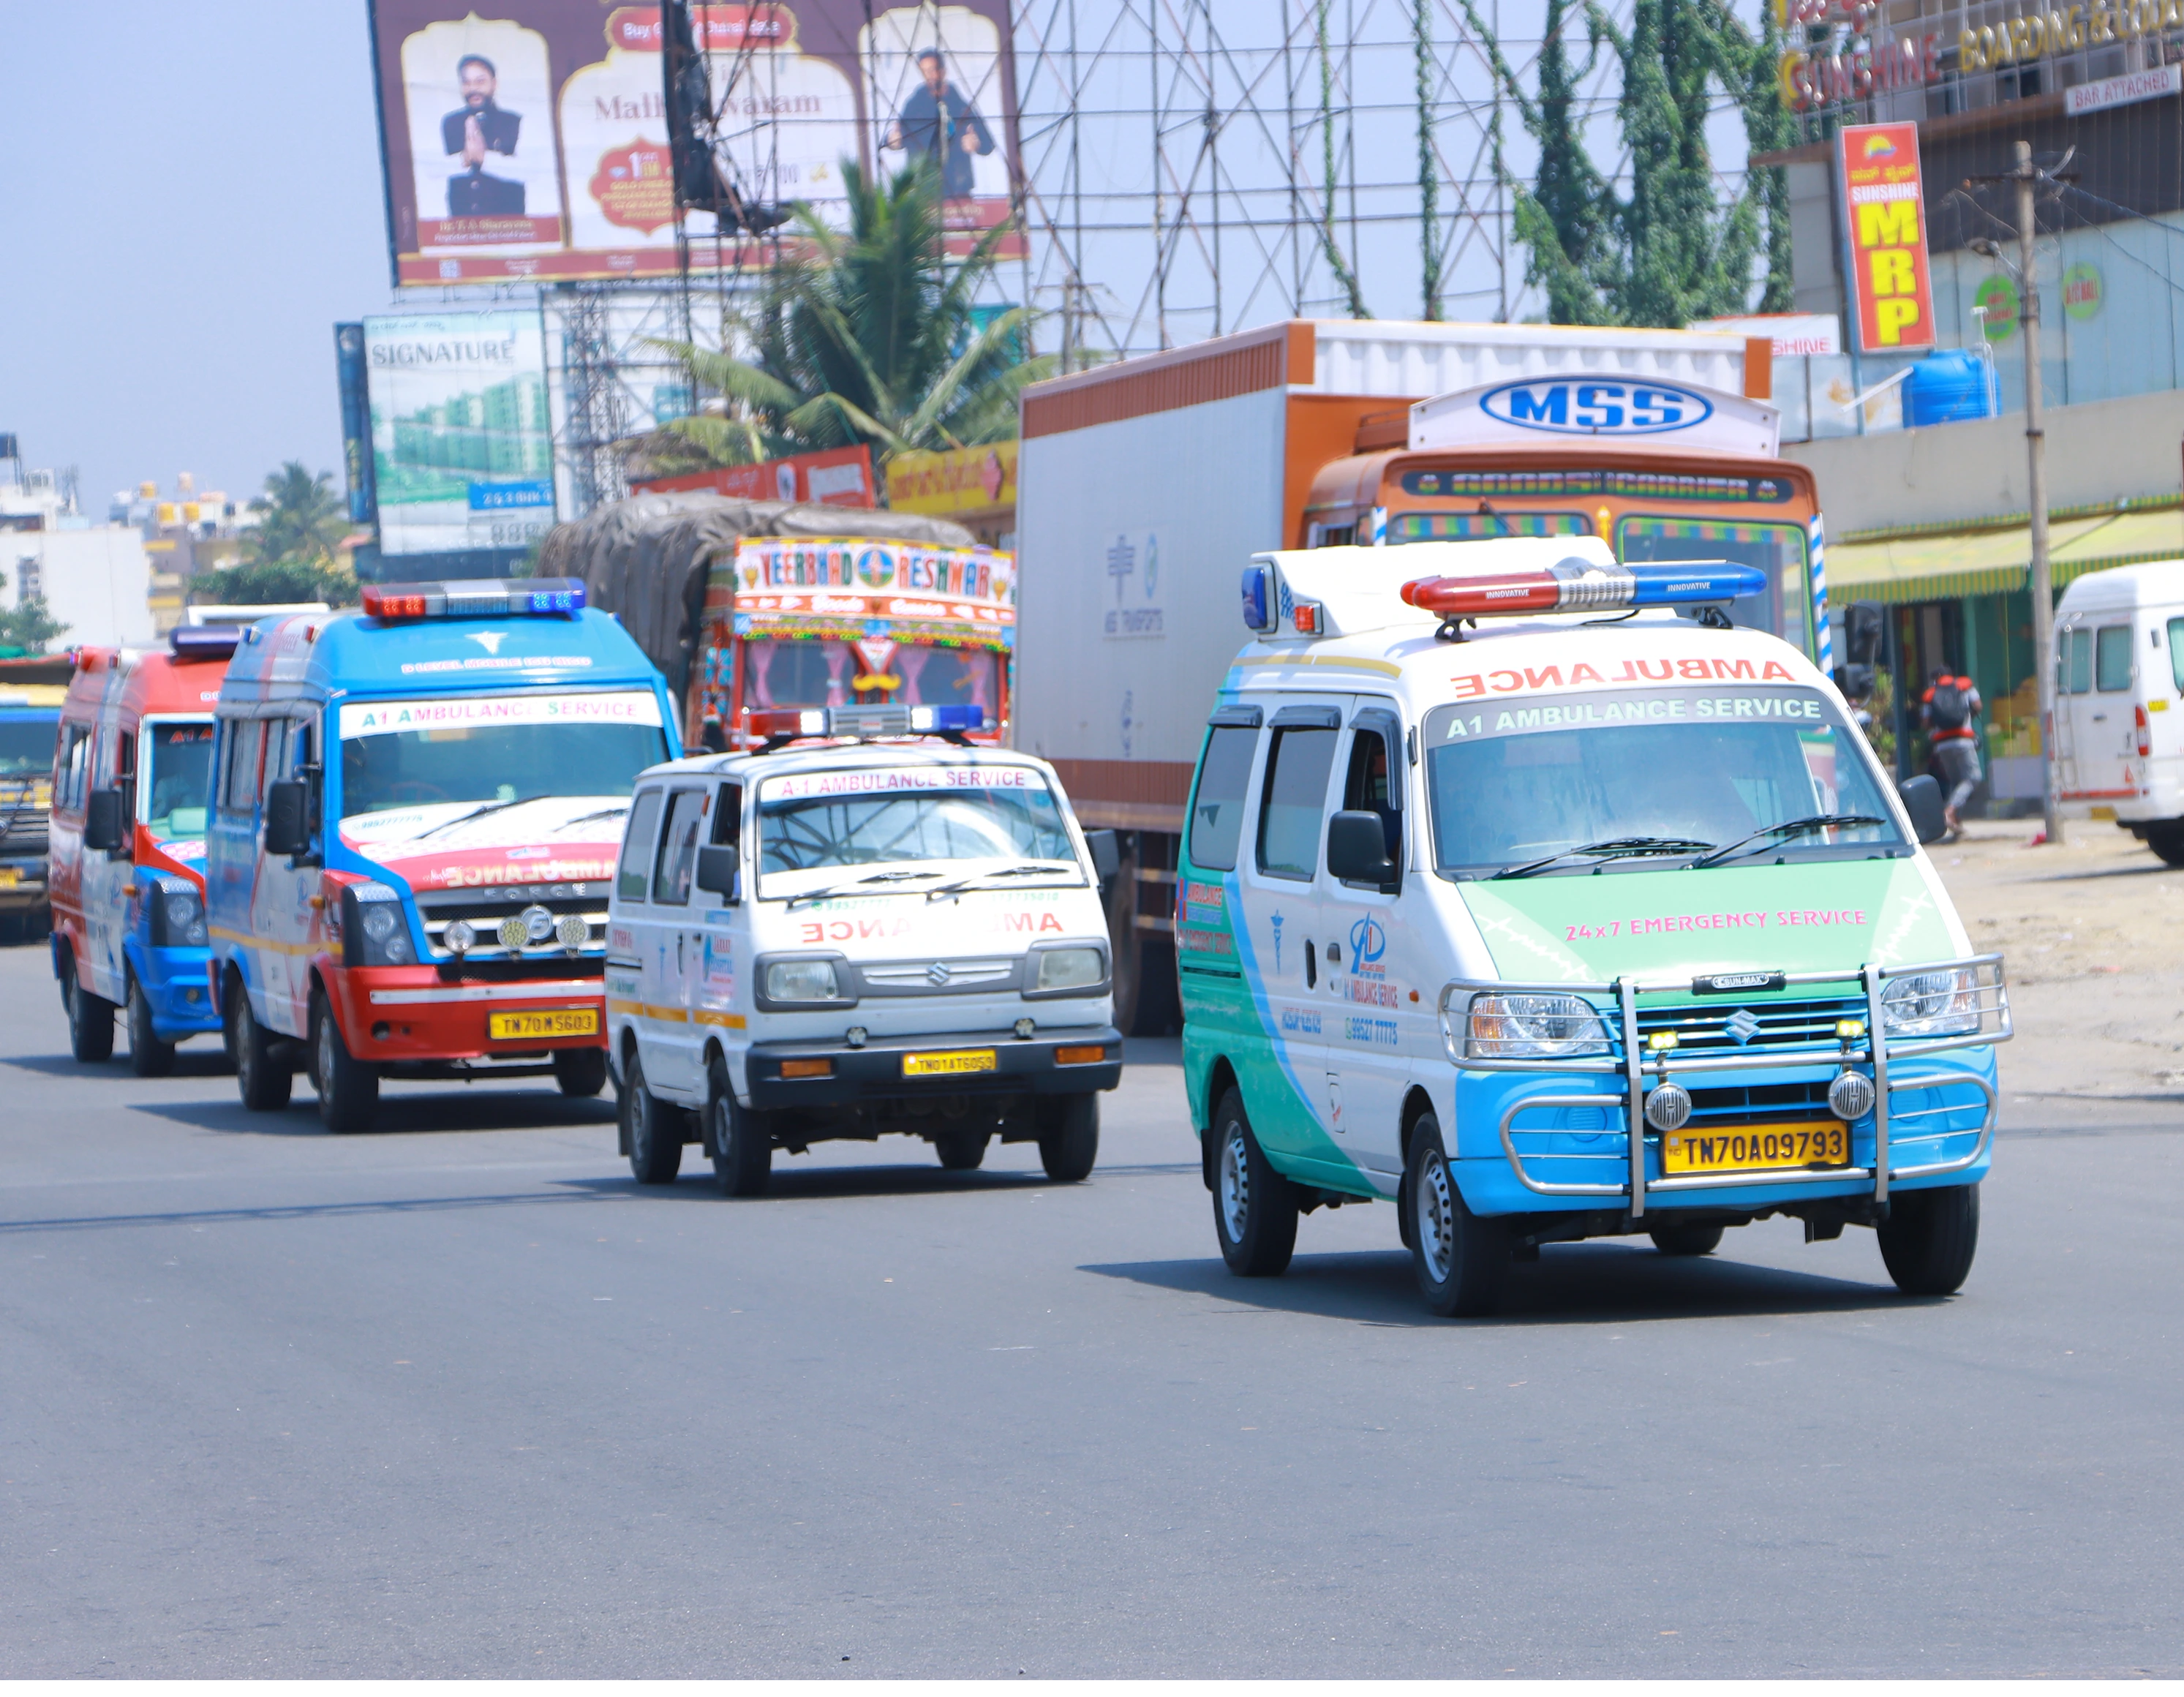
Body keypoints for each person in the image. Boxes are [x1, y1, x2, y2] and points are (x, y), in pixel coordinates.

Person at [882, 48, 993, 200]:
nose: (929, 76)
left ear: (943, 71)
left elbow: (988, 144)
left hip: (958, 189)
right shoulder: (914, 105)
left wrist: (976, 144)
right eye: (924, 71)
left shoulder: (960, 106)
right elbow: (896, 137)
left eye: (932, 70)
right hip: (923, 189)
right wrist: (892, 140)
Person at [441, 53, 525, 217]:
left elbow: (531, 171)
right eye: (467, 82)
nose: (473, 89)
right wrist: (464, 159)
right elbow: (431, 169)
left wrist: (485, 160)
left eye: (480, 82)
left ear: (494, 84)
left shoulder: (515, 121)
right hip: (461, 227)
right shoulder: (450, 122)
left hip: (510, 224)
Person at [1921, 665, 1984, 840]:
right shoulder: (1964, 685)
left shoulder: (1931, 693)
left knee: (1956, 783)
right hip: (1963, 739)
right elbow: (1978, 705)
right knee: (1973, 777)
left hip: (1942, 745)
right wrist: (1967, 714)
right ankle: (1949, 812)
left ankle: (1956, 825)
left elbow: (1926, 722)